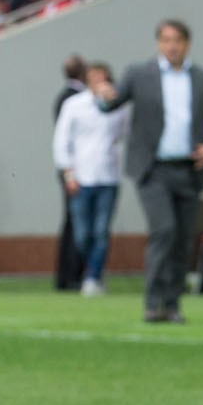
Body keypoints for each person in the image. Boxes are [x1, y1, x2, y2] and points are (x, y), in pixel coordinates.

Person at [98, 19, 203, 323]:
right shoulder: (138, 74)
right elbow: (112, 103)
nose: (172, 46)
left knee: (183, 238)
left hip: (189, 167)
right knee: (164, 230)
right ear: (158, 43)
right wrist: (103, 95)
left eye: (178, 40)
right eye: (166, 40)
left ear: (187, 44)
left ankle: (172, 304)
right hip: (153, 168)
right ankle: (153, 301)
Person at [53, 61, 131, 296]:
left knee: (101, 231)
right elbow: (61, 140)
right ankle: (89, 268)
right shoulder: (73, 105)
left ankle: (93, 276)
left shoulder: (120, 106)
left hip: (108, 177)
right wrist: (68, 172)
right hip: (81, 176)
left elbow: (124, 134)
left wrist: (110, 102)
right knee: (82, 234)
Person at [53, 56, 90, 291]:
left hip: (69, 167)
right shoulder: (73, 99)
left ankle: (67, 276)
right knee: (76, 223)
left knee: (71, 222)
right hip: (76, 168)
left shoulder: (62, 96)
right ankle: (71, 274)